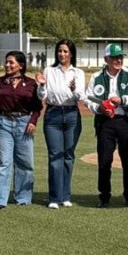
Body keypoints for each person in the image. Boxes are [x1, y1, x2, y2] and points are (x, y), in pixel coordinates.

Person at [84, 43, 128, 208]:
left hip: (125, 121)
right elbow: (88, 98)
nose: (118, 60)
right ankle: (104, 196)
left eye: (120, 57)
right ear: (106, 59)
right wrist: (99, 108)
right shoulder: (97, 76)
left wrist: (123, 100)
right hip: (105, 123)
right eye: (114, 57)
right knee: (104, 161)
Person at [0, 50, 43, 208]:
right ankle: (0, 200)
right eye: (6, 62)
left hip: (24, 124)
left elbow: (38, 107)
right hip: (3, 123)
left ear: (21, 65)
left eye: (11, 62)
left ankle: (23, 198)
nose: (7, 65)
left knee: (25, 163)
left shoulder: (31, 83)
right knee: (3, 162)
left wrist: (33, 121)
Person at [36, 39, 85, 209]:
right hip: (53, 114)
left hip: (72, 114)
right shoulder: (49, 71)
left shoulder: (78, 72)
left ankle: (65, 195)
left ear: (71, 53)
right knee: (55, 155)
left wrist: (73, 89)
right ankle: (54, 197)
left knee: (68, 156)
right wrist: (41, 85)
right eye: (59, 51)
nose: (62, 54)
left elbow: (81, 96)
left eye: (65, 51)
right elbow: (42, 95)